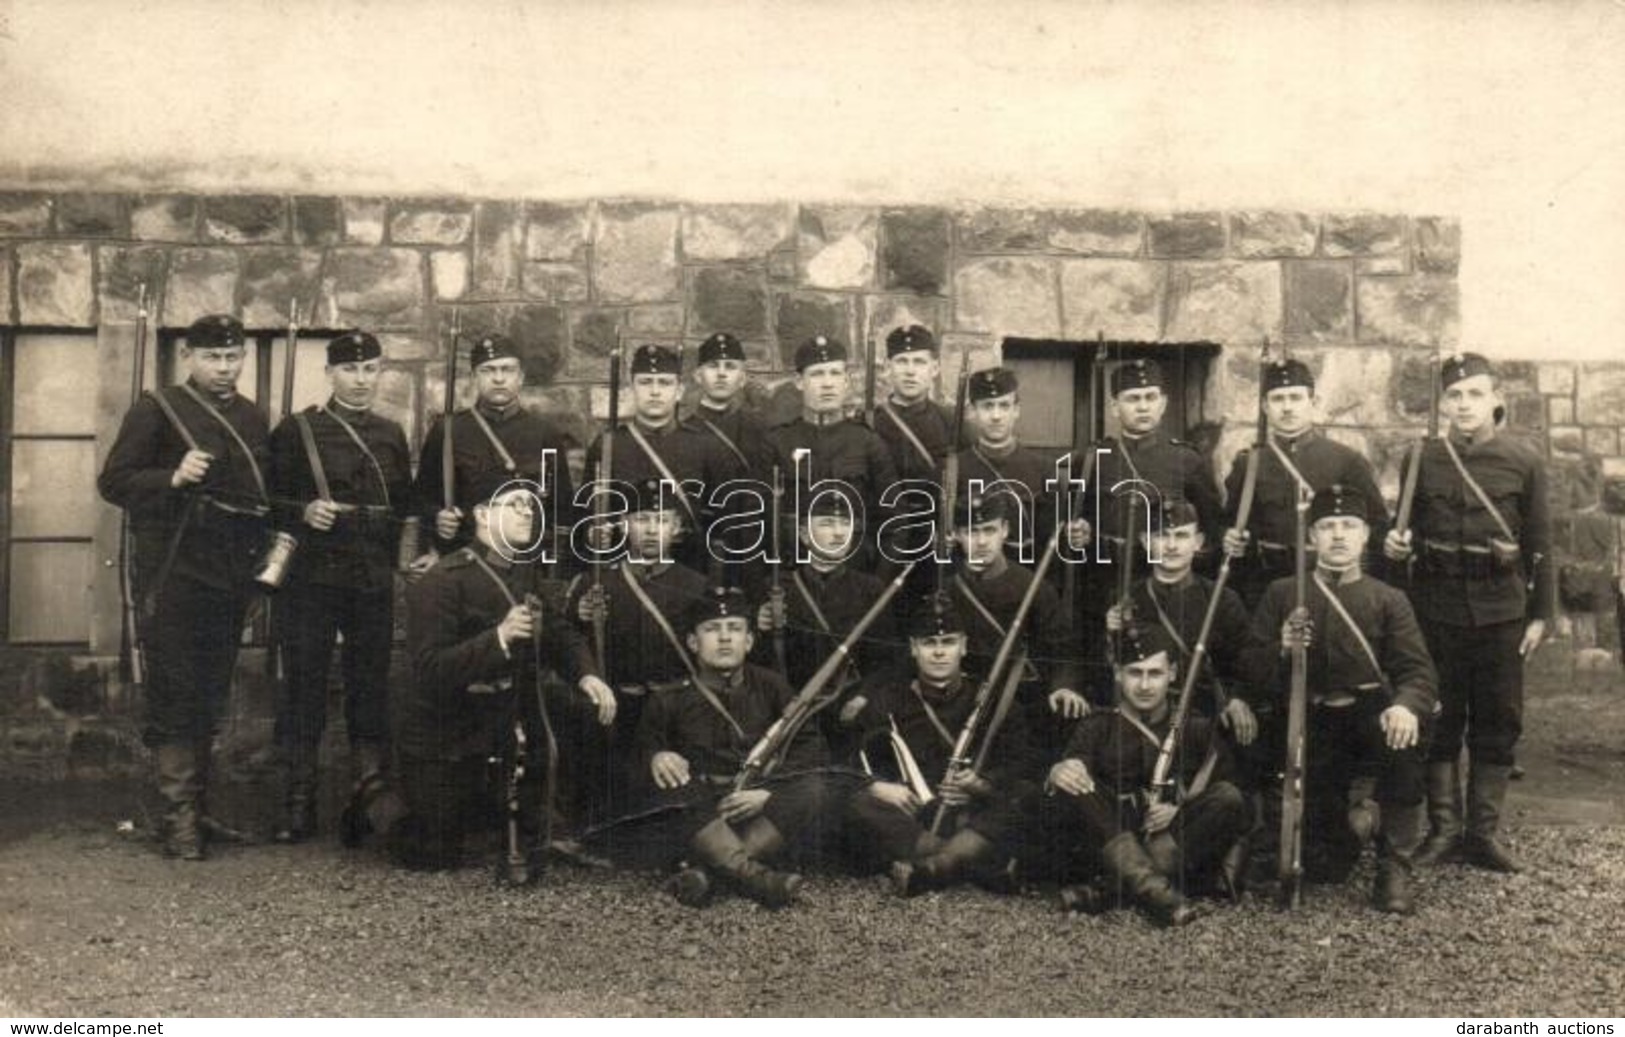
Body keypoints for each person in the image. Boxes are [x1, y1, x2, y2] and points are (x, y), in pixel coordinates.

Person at [98, 314, 271, 860]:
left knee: (211, 690)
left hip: (227, 574)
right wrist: (171, 477)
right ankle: (178, 817)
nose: (225, 367)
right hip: (172, 574)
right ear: (189, 359)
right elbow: (114, 482)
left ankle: (200, 806)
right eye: (214, 357)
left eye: (234, 357)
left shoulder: (250, 416)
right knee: (174, 689)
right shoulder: (158, 410)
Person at [387, 477, 614, 873]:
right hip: (446, 726)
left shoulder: (525, 573)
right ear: (482, 515)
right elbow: (429, 670)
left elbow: (560, 631)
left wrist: (586, 675)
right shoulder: (440, 581)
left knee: (584, 708)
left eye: (531, 505)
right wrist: (500, 638)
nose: (528, 512)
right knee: (435, 855)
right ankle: (377, 799)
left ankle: (551, 822)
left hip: (505, 710)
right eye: (515, 504)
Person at [1383, 352, 1553, 873]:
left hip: (1501, 609)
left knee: (1499, 718)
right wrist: (1394, 547)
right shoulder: (1421, 459)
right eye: (1454, 395)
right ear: (1442, 402)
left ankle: (1483, 834)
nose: (1464, 404)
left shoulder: (1523, 461)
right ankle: (1444, 829)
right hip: (1435, 608)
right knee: (1441, 717)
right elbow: (1401, 533)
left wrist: (1542, 613)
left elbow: (1540, 542)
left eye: (1475, 393)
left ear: (1496, 399)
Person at [1255, 483, 1437, 913]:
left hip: (1370, 717)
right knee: (1327, 863)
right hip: (1311, 722)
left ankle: (1395, 866)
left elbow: (1418, 671)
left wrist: (1405, 705)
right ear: (1311, 537)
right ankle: (1357, 823)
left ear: (1365, 535)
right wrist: (1281, 648)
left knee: (1404, 740)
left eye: (1349, 526)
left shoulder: (1389, 599)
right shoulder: (1283, 593)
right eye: (1327, 526)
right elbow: (1250, 667)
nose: (1338, 535)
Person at [266, 330, 414, 844]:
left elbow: (403, 508)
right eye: (350, 370)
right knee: (304, 683)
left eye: (370, 369)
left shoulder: (392, 434)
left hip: (370, 576)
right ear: (329, 373)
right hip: (311, 579)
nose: (360, 380)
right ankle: (297, 801)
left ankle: (365, 796)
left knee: (370, 686)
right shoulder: (296, 431)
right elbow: (267, 503)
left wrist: (402, 563)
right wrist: (302, 510)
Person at [625, 587, 860, 908]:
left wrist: (769, 793)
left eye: (734, 629)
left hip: (757, 804)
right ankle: (757, 879)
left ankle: (707, 874)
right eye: (712, 630)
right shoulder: (668, 698)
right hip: (703, 811)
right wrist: (658, 756)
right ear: (693, 642)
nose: (724, 639)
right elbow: (643, 752)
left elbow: (811, 748)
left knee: (815, 788)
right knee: (671, 788)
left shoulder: (772, 686)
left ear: (748, 641)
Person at [1041, 624, 1247, 927]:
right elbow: (1076, 782)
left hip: (1173, 840)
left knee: (1228, 798)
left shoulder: (1198, 728)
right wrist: (1059, 771)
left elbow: (1230, 791)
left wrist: (1179, 809)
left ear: (1173, 674)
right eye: (1135, 673)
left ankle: (1106, 892)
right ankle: (1157, 893)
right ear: (1118, 674)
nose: (1145, 685)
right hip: (1109, 835)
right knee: (1075, 782)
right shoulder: (1097, 725)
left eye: (1155, 673)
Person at [845, 595, 1042, 896]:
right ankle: (974, 864)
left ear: (962, 646)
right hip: (916, 815)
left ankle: (936, 867)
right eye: (929, 643)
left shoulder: (994, 703)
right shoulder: (888, 699)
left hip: (975, 816)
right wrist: (875, 786)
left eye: (948, 642)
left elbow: (1021, 762)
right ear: (914, 648)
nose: (939, 653)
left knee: (1026, 796)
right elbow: (850, 758)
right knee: (856, 801)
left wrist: (982, 785)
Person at [1066, 358, 1224, 703]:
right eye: (1132, 398)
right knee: (1107, 676)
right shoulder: (1092, 459)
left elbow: (1211, 534)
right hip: (1103, 580)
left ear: (1163, 403)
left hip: (1160, 585)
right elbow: (1070, 522)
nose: (1142, 406)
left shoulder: (1187, 461)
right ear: (1114, 406)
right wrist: (1077, 535)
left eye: (1150, 397)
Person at [565, 478, 708, 823]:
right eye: (641, 519)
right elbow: (568, 639)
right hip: (618, 705)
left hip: (672, 709)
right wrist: (579, 615)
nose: (650, 530)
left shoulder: (696, 585)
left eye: (661, 520)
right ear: (624, 525)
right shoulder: (597, 581)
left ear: (676, 528)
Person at [1220, 356, 1387, 608]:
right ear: (1265, 407)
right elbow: (1229, 524)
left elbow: (1376, 528)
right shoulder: (1250, 463)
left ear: (1313, 402)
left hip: (1329, 586)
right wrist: (1230, 538)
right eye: (1278, 399)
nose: (1287, 407)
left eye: (1295, 397)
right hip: (1267, 586)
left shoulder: (1346, 461)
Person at [1106, 499, 1263, 741]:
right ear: (1146, 542)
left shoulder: (1221, 598)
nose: (1171, 545)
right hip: (1142, 714)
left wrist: (1239, 698)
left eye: (1180, 536)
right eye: (1161, 536)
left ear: (1197, 542)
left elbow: (1248, 657)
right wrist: (1109, 634)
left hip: (1203, 712)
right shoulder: (1125, 597)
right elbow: (1109, 666)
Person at [414, 331, 578, 561]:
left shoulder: (544, 434)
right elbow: (421, 498)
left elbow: (561, 507)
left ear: (520, 377)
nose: (498, 378)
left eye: (507, 370)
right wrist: (437, 518)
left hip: (526, 563)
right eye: (488, 370)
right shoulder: (448, 430)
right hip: (465, 559)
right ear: (474, 378)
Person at [754, 493, 899, 747]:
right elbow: (760, 663)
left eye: (845, 524)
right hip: (791, 715)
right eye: (826, 524)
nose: (838, 533)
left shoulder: (870, 588)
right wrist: (760, 629)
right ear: (804, 534)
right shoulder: (776, 587)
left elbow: (887, 660)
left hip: (850, 713)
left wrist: (863, 697)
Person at [584, 344, 739, 576]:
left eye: (665, 383)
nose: (655, 392)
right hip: (626, 578)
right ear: (631, 389)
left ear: (679, 391)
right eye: (645, 382)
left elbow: (726, 521)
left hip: (692, 573)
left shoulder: (705, 446)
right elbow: (587, 516)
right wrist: (593, 534)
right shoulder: (608, 445)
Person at [945, 491, 1085, 744]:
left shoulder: (1034, 587)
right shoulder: (947, 589)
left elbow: (1063, 649)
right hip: (962, 702)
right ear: (956, 534)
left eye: (989, 530)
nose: (982, 541)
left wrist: (1063, 685)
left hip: (1021, 699)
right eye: (971, 532)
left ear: (1005, 530)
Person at [766, 335, 900, 564]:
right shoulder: (778, 443)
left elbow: (894, 520)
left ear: (846, 381)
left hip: (855, 576)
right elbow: (755, 521)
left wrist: (879, 585)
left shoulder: (867, 442)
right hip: (792, 577)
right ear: (799, 381)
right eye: (817, 374)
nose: (827, 383)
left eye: (835, 373)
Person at [956, 366, 1058, 563]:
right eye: (987, 406)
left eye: (1004, 406)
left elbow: (1051, 546)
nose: (996, 416)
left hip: (1027, 582)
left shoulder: (1043, 468)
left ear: (1016, 410)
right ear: (972, 411)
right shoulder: (955, 469)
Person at [872, 324, 955, 486]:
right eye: (902, 361)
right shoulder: (869, 423)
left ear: (935, 369)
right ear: (888, 367)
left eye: (919, 362)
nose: (910, 371)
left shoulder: (952, 425)